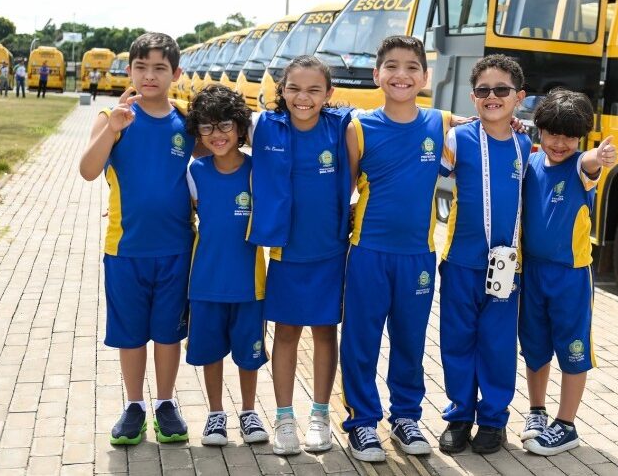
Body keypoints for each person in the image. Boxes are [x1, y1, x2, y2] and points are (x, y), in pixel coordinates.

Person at [78, 32, 195, 446]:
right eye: (141, 67)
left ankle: (165, 403)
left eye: (160, 68)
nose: (150, 76)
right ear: (129, 71)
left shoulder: (186, 121)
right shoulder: (113, 117)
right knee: (131, 333)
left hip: (177, 249)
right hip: (126, 250)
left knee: (167, 333)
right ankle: (134, 406)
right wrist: (111, 130)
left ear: (176, 74)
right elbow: (88, 170)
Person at [340, 35, 450, 462]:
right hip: (367, 252)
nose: (401, 74)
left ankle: (405, 417)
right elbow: (343, 190)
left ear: (425, 76)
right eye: (391, 66)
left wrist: (513, 124)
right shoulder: (359, 127)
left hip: (418, 257)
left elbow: (484, 129)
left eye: (411, 67)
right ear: (377, 74)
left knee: (409, 341)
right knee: (361, 340)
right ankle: (362, 422)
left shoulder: (441, 123)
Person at [247, 55, 354, 456]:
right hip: (285, 250)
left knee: (326, 331)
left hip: (330, 247)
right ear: (282, 90)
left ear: (329, 94)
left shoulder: (343, 126)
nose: (303, 98)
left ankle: (320, 415)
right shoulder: (263, 126)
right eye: (294, 88)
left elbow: (401, 115)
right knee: (287, 333)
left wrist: (457, 120)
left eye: (313, 90)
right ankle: (284, 417)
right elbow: (210, 127)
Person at [437, 54, 531, 455]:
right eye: (483, 90)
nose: (492, 97)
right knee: (457, 339)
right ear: (472, 97)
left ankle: (494, 420)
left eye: (501, 90)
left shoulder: (526, 143)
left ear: (519, 98)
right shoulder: (458, 139)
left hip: (508, 267)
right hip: (461, 260)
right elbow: (427, 169)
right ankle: (460, 415)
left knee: (496, 343)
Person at [518, 88, 617, 456]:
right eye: (553, 133)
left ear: (580, 138)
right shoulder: (530, 163)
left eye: (570, 136)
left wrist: (599, 155)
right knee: (535, 346)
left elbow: (591, 161)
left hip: (570, 276)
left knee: (573, 348)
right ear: (539, 131)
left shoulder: (580, 167)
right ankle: (537, 411)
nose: (560, 143)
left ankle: (567, 423)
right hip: (532, 273)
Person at [184, 84, 269, 447]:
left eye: (224, 126)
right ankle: (215, 414)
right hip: (205, 281)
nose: (216, 135)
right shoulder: (195, 172)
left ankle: (249, 412)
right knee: (209, 351)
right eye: (206, 127)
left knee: (249, 356)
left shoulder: (257, 171)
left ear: (239, 128)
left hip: (249, 284)